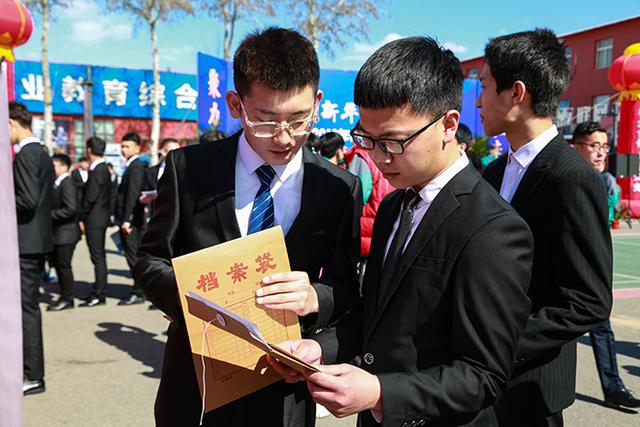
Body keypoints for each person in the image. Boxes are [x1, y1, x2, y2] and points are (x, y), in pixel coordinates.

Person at [269, 36, 534, 426]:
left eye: (393, 142)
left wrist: (381, 393)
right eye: (368, 139)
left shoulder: (493, 228)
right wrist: (318, 348)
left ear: (448, 125)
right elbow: (374, 317)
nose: (378, 157)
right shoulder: (395, 205)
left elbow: (483, 375)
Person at [134, 27, 362, 427]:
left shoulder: (339, 187)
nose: (284, 137)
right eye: (265, 121)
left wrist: (315, 298)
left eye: (299, 120)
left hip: (284, 385)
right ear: (236, 104)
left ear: (317, 102)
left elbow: (346, 286)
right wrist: (193, 302)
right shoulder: (189, 169)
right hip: (198, 380)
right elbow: (150, 260)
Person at [478, 29, 612, 426]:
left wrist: (502, 345)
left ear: (516, 93)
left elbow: (587, 300)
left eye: (484, 86)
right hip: (478, 385)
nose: (478, 101)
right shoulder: (493, 172)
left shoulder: (571, 178)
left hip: (531, 389)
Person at [571, 121, 640, 409]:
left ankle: (612, 387)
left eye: (604, 146)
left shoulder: (606, 181)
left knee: (602, 328)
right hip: (564, 272)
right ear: (577, 148)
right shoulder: (565, 178)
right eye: (594, 146)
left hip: (593, 272)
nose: (601, 152)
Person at [10, 102, 54, 395]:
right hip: (36, 240)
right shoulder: (41, 152)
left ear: (12, 122)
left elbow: (26, 200)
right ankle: (31, 372)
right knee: (29, 307)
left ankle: (33, 375)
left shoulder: (26, 155)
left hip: (26, 242)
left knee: (27, 310)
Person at [116, 132, 148, 306]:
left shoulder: (136, 166)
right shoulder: (130, 165)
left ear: (137, 148)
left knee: (134, 257)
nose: (124, 149)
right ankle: (140, 289)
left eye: (127, 146)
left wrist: (127, 220)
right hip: (131, 219)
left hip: (132, 221)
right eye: (122, 146)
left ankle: (139, 291)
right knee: (133, 256)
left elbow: (132, 194)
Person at [80, 137, 112, 307]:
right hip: (98, 218)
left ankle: (99, 294)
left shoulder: (99, 169)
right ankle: (98, 291)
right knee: (98, 256)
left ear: (89, 150)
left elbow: (91, 197)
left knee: (98, 257)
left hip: (95, 219)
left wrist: (81, 215)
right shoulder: (101, 168)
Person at [48, 154, 82, 312]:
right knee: (60, 265)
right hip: (59, 233)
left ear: (64, 166)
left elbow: (70, 208)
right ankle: (64, 296)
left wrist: (50, 215)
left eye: (54, 165)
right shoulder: (57, 182)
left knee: (64, 266)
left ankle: (67, 299)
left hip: (66, 233)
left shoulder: (67, 183)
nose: (51, 168)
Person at [140, 137, 182, 207]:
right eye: (174, 151)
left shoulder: (183, 171)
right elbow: (143, 193)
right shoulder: (150, 172)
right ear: (163, 152)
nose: (178, 154)